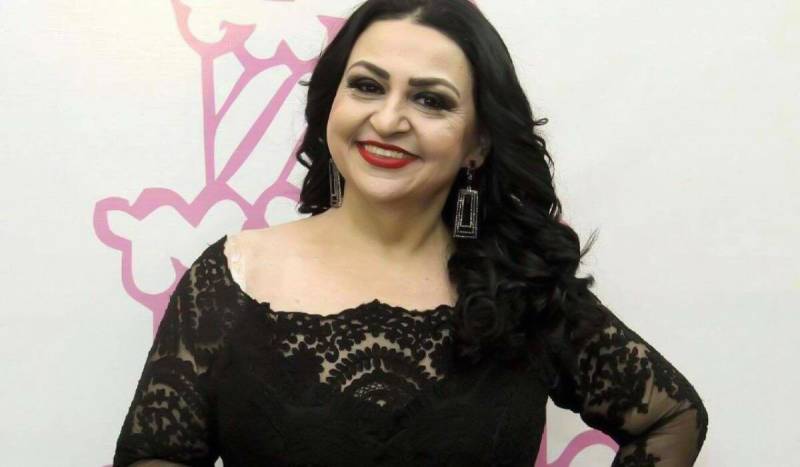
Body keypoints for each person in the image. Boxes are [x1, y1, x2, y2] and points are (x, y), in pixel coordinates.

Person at [112, 0, 709, 465]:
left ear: (478, 142)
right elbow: (157, 455)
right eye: (367, 86)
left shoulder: (521, 285)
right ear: (332, 103)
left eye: (430, 100)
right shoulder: (232, 276)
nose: (389, 119)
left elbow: (671, 418)